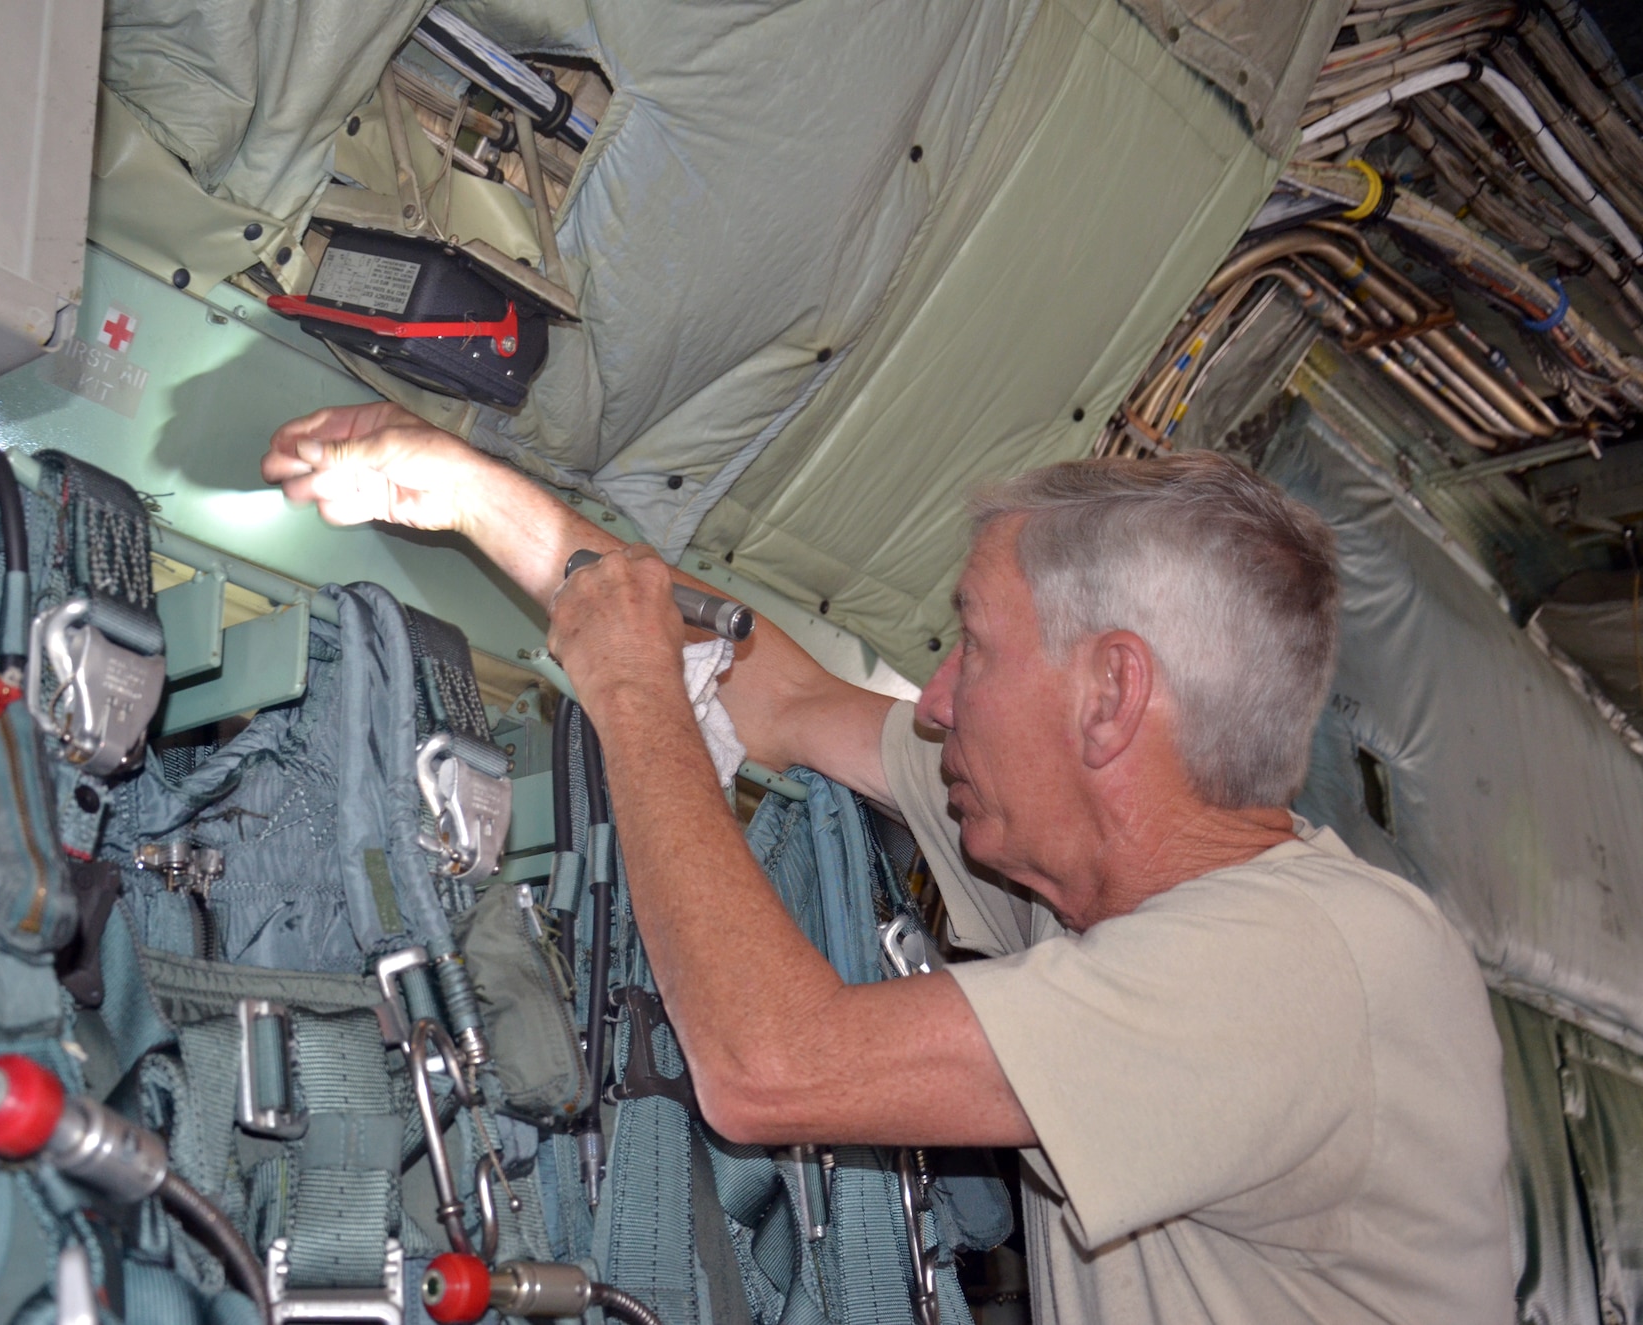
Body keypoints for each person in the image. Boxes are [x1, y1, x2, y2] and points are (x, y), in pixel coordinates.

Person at [262, 400, 1513, 1324]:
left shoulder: (1313, 967)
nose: (934, 700)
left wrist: (631, 697)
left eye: (970, 643)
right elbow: (777, 693)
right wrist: (472, 492)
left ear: (1108, 695)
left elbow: (770, 1067)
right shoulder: (1089, 887)